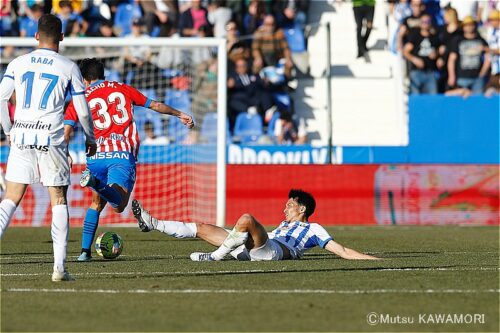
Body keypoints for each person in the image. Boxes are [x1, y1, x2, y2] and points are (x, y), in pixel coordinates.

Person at [64, 58, 194, 262]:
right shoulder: (123, 88)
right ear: (103, 75)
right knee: (119, 204)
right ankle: (95, 182)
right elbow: (155, 105)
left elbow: (67, 130)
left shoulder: (80, 97)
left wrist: (66, 152)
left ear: (85, 79)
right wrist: (179, 114)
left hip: (95, 155)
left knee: (96, 203)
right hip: (121, 152)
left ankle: (84, 253)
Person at [0, 14, 97, 282]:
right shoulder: (68, 67)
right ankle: (59, 268)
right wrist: (90, 138)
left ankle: (60, 267)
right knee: (59, 199)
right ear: (62, 37)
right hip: (51, 138)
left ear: (35, 36)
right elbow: (83, 112)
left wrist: (9, 130)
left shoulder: (18, 63)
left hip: (21, 136)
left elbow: (0, 97)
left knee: (11, 198)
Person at [132, 189, 379, 261]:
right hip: (255, 246)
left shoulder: (314, 229)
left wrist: (375, 260)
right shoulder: (282, 223)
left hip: (273, 251)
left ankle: (217, 256)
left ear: (302, 209)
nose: (285, 208)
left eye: (290, 205)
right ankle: (152, 222)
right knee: (203, 227)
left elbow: (343, 251)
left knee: (247, 219)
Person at [447, 16, 491, 96]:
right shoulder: (458, 40)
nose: (469, 27)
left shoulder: (481, 40)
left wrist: (483, 72)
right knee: (461, 102)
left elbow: (488, 58)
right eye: (467, 25)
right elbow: (452, 59)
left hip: (477, 78)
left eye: (471, 24)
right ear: (463, 27)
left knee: (477, 102)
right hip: (462, 77)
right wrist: (451, 75)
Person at [403, 13, 440, 94]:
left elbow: (439, 50)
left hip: (430, 72)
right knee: (416, 97)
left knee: (432, 98)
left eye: (427, 21)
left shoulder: (434, 37)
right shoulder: (415, 35)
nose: (425, 24)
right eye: (423, 22)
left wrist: (436, 54)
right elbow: (405, 51)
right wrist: (414, 59)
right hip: (417, 72)